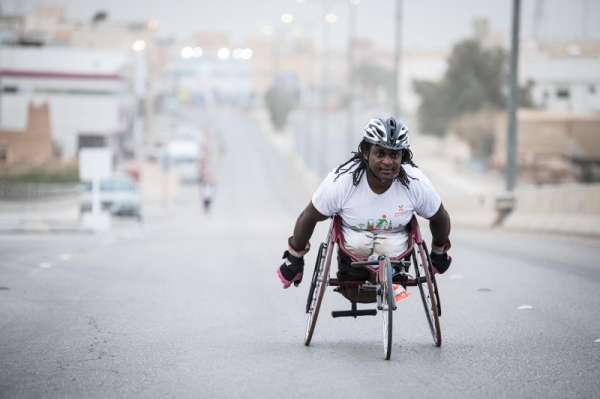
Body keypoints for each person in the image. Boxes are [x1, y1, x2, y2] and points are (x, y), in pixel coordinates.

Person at [277, 117, 452, 292]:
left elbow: (440, 217)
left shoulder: (415, 182)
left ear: (402, 156)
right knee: (359, 243)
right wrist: (295, 259)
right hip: (353, 241)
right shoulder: (342, 181)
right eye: (380, 154)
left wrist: (438, 253)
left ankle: (389, 280)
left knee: (389, 247)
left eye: (394, 155)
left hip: (395, 240)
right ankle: (355, 282)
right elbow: (308, 216)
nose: (388, 162)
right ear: (366, 153)